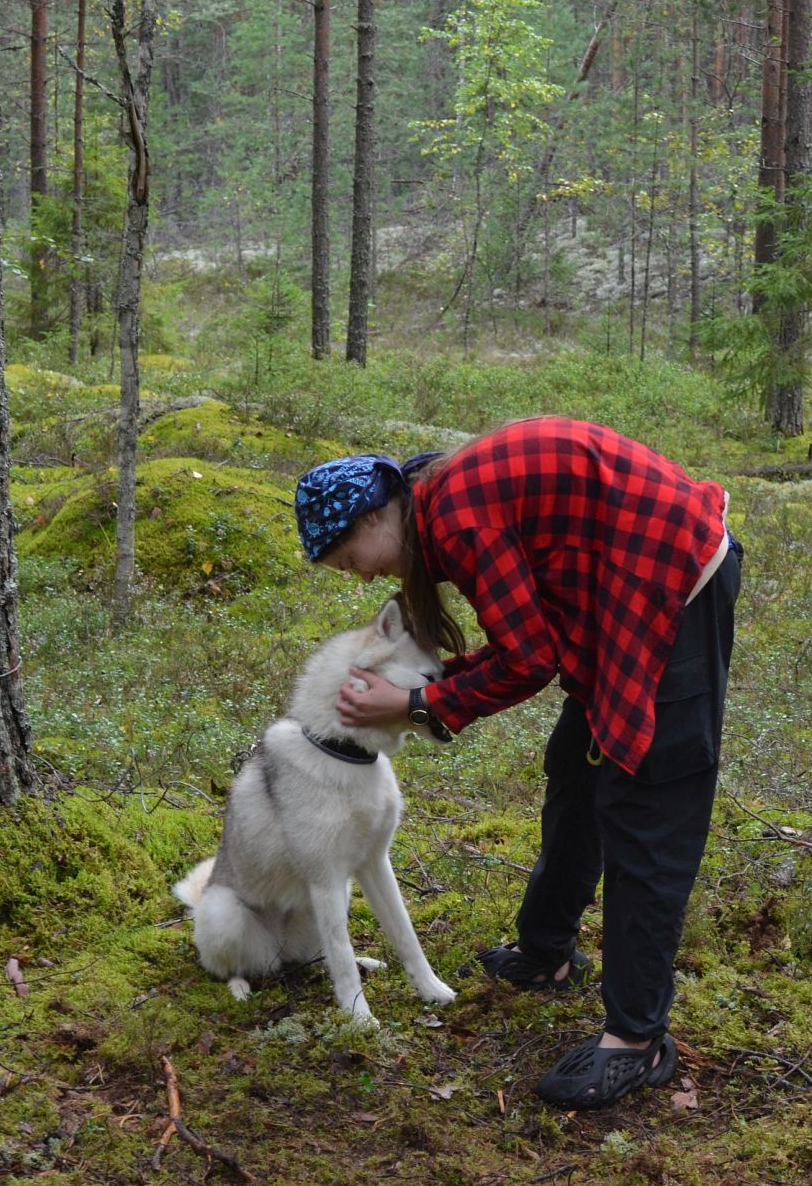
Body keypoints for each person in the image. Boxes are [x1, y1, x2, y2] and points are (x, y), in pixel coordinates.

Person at [292, 416, 742, 1110]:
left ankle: (637, 1041)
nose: (367, 576)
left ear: (379, 514)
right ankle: (548, 952)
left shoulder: (457, 520)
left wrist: (414, 705)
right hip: (613, 595)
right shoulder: (441, 507)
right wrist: (419, 695)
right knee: (578, 764)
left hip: (672, 579)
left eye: (354, 559)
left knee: (645, 800)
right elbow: (528, 640)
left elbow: (528, 662)